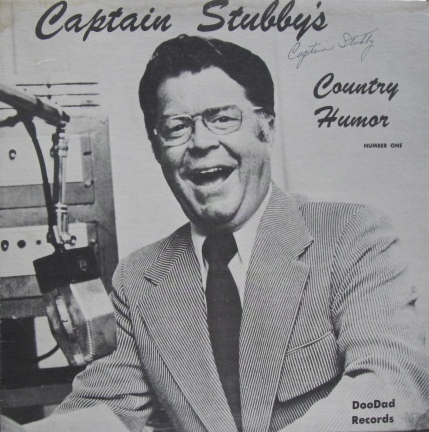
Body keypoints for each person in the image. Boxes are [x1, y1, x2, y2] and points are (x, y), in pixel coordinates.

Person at [53, 35, 428, 432]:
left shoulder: (351, 235)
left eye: (222, 118)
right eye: (176, 127)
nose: (201, 142)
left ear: (267, 127)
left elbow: (390, 385)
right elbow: (97, 413)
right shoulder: (137, 280)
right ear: (156, 148)